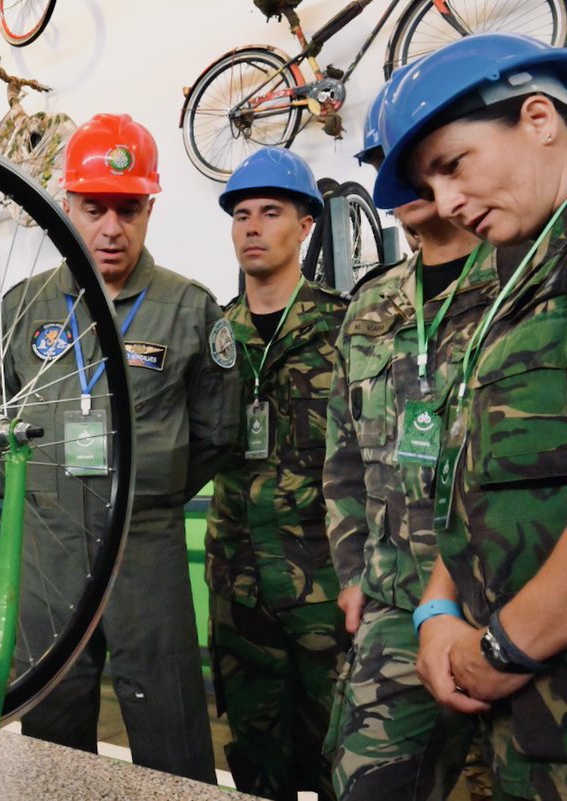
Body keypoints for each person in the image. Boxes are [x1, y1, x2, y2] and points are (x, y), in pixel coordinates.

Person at [0, 112, 240, 781]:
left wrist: (153, 488)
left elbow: (219, 435)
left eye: (128, 209)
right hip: (50, 553)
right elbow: (6, 412)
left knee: (168, 727)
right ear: (65, 205)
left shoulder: (188, 309)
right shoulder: (23, 307)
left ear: (150, 209)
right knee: (53, 728)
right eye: (93, 207)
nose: (111, 228)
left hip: (146, 545)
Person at [369, 31, 567, 801]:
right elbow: (481, 470)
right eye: (432, 181)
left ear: (540, 117)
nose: (446, 202)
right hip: (520, 723)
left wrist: (504, 647)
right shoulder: (513, 279)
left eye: (454, 164)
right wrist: (438, 605)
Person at [324, 71, 507, 799]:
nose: (401, 180)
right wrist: (349, 573)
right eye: (384, 165)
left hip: (510, 602)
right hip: (396, 605)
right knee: (365, 781)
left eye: (425, 160)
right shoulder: (370, 306)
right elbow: (340, 458)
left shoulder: (520, 284)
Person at [205, 147, 347, 801]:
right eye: (241, 214)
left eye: (270, 211)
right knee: (257, 769)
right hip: (240, 591)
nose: (252, 226)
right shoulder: (214, 338)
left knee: (342, 762)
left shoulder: (347, 328)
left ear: (306, 224)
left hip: (325, 587)